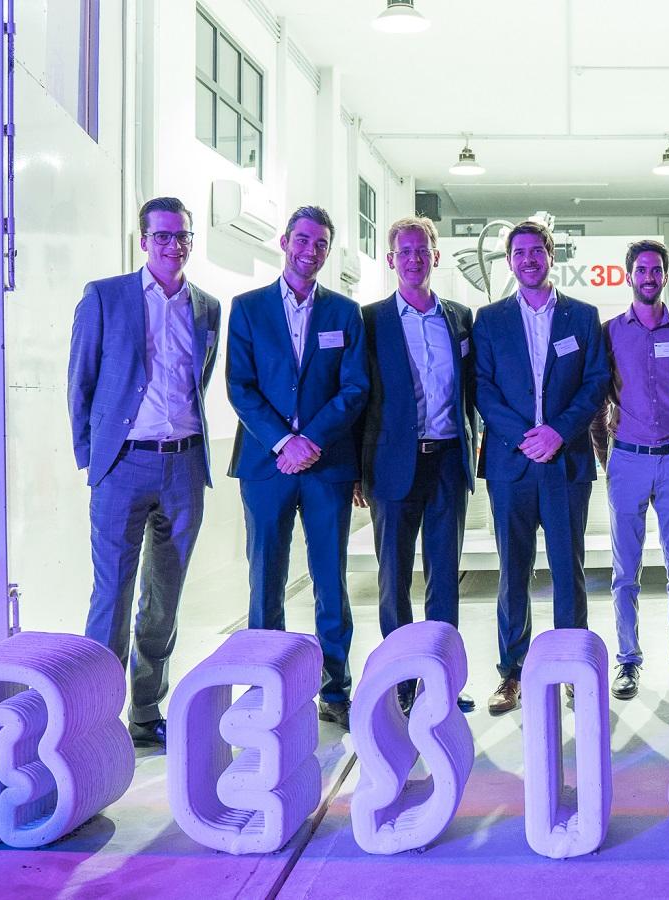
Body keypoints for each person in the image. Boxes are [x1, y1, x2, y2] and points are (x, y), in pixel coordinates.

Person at [68, 196, 222, 746]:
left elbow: (199, 380)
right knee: (111, 596)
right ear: (143, 241)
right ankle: (95, 716)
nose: (173, 245)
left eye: (182, 236)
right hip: (122, 465)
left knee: (163, 601)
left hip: (184, 466)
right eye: (162, 235)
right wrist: (93, 459)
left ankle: (145, 710)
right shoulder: (105, 296)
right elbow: (80, 381)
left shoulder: (207, 307)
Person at [226, 205, 368, 732]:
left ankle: (335, 688)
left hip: (327, 466)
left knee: (330, 580)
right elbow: (240, 385)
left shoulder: (345, 313)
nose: (312, 250)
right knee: (266, 579)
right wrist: (285, 441)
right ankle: (267, 687)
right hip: (267, 466)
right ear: (284, 242)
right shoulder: (248, 308)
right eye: (303, 240)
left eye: (321, 243)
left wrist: (312, 440)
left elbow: (355, 387)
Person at [473, 220, 610, 715]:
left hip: (565, 461)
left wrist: (559, 432)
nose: (529, 259)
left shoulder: (583, 316)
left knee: (568, 569)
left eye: (537, 250)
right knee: (513, 572)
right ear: (509, 261)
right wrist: (523, 436)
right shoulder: (489, 319)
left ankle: (572, 667)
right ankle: (512, 672)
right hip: (511, 464)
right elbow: (482, 387)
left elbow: (595, 382)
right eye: (520, 252)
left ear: (552, 255)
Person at [356, 216, 476, 713]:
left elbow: (472, 388)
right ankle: (402, 679)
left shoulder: (460, 317)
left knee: (445, 576)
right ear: (391, 260)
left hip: (447, 461)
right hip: (391, 463)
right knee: (394, 579)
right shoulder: (371, 320)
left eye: (421, 249)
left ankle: (441, 679)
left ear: (436, 256)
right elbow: (360, 397)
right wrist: (358, 471)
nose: (413, 258)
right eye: (404, 251)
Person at [599, 239, 669, 701]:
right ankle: (628, 660)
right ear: (629, 276)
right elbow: (596, 399)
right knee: (625, 571)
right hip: (627, 460)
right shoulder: (609, 333)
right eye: (641, 269)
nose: (648, 277)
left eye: (656, 269)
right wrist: (607, 457)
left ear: (665, 276)